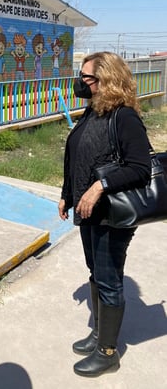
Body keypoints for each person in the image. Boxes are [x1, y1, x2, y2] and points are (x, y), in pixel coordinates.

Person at [58, 51, 151, 377]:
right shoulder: (92, 112)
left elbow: (140, 168)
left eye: (87, 78)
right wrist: (67, 194)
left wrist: (99, 187)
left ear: (107, 80)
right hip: (89, 213)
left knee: (109, 281)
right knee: (95, 273)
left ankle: (108, 353)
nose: (80, 83)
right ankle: (99, 335)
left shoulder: (123, 117)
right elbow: (78, 156)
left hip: (112, 215)